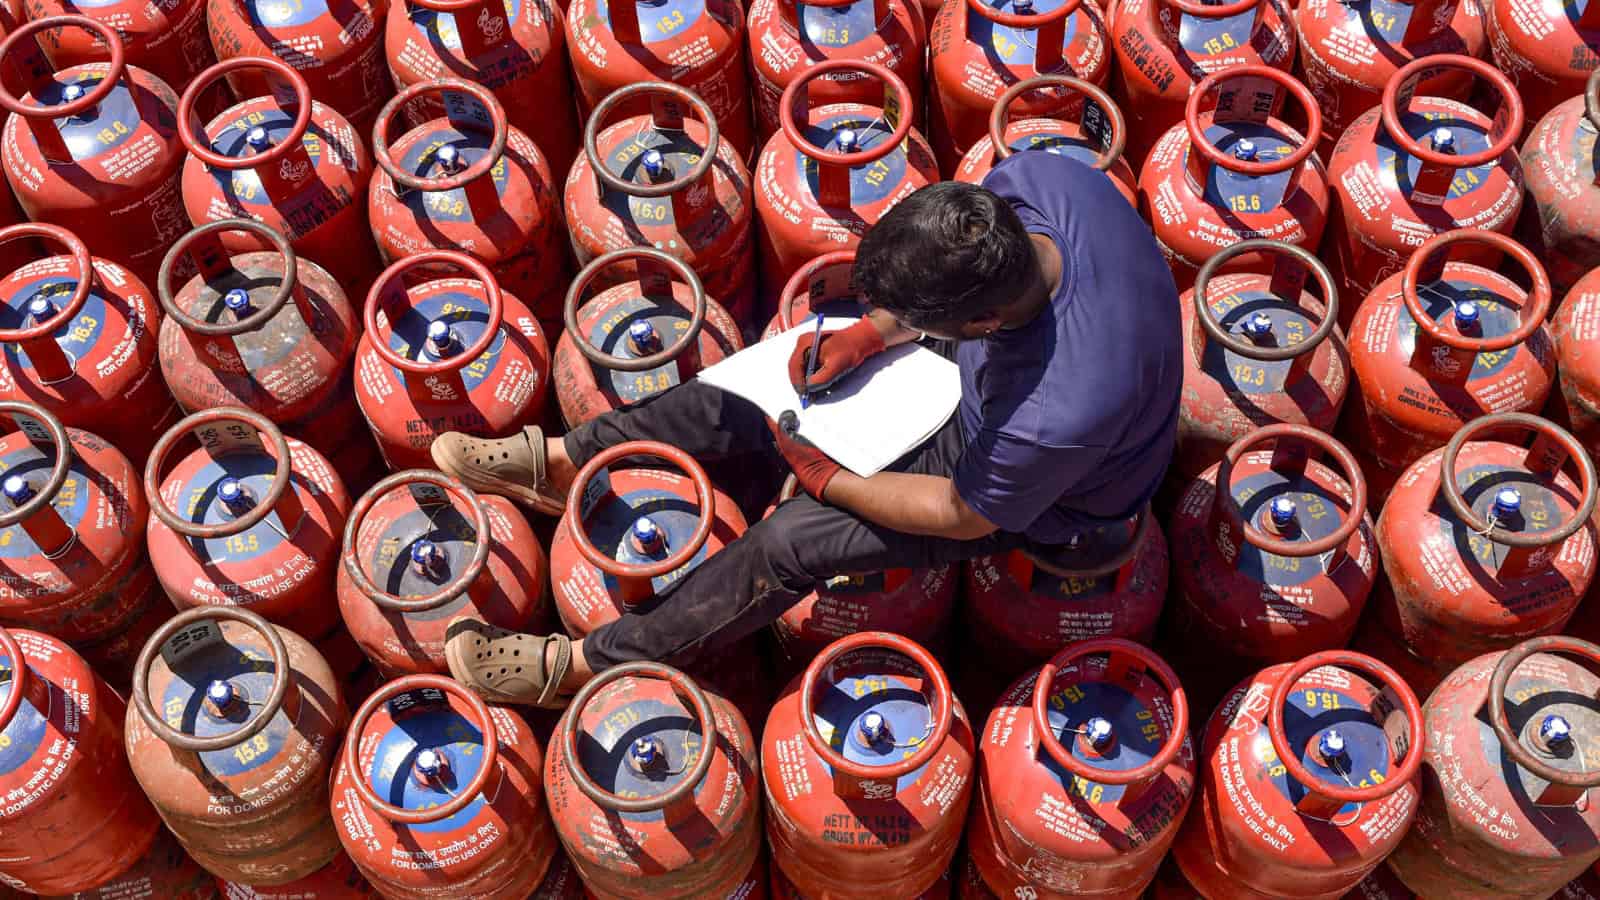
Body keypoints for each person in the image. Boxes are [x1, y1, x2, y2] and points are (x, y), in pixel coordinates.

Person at [429, 151, 1182, 707]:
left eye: (921, 319)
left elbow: (961, 513)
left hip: (1049, 496)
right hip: (992, 381)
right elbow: (948, 294)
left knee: (793, 539)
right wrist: (872, 335)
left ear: (978, 321)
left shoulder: (1057, 411)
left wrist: (833, 481)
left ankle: (591, 665)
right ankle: (564, 462)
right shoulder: (1043, 184)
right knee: (771, 387)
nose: (901, 325)